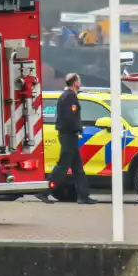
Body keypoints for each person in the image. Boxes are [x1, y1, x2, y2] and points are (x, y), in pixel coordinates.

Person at [37, 73, 97, 205]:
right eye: (79, 80)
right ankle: (44, 191)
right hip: (69, 135)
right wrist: (78, 128)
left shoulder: (66, 96)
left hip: (69, 135)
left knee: (77, 168)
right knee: (63, 166)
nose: (80, 82)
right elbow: (71, 117)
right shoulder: (70, 97)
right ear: (75, 83)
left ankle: (83, 195)